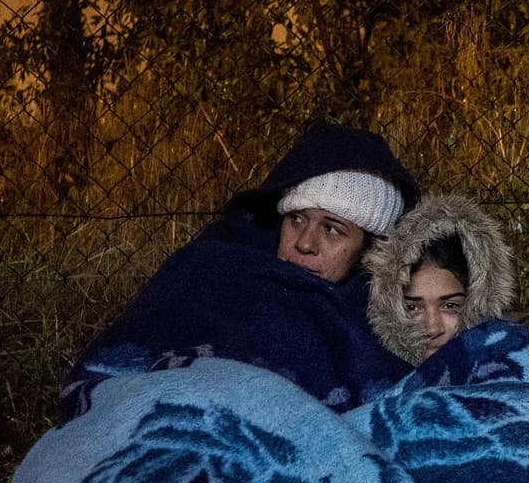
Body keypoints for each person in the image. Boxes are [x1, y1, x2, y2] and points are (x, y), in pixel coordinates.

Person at [59, 122, 421, 418]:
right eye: (296, 219)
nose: (305, 243)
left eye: (332, 229)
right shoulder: (214, 266)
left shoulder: (382, 315)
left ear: (370, 249)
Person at [365, 192, 516, 365]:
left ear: (479, 300)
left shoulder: (519, 355)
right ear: (390, 311)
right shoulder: (369, 371)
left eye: (450, 306)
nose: (432, 328)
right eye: (413, 307)